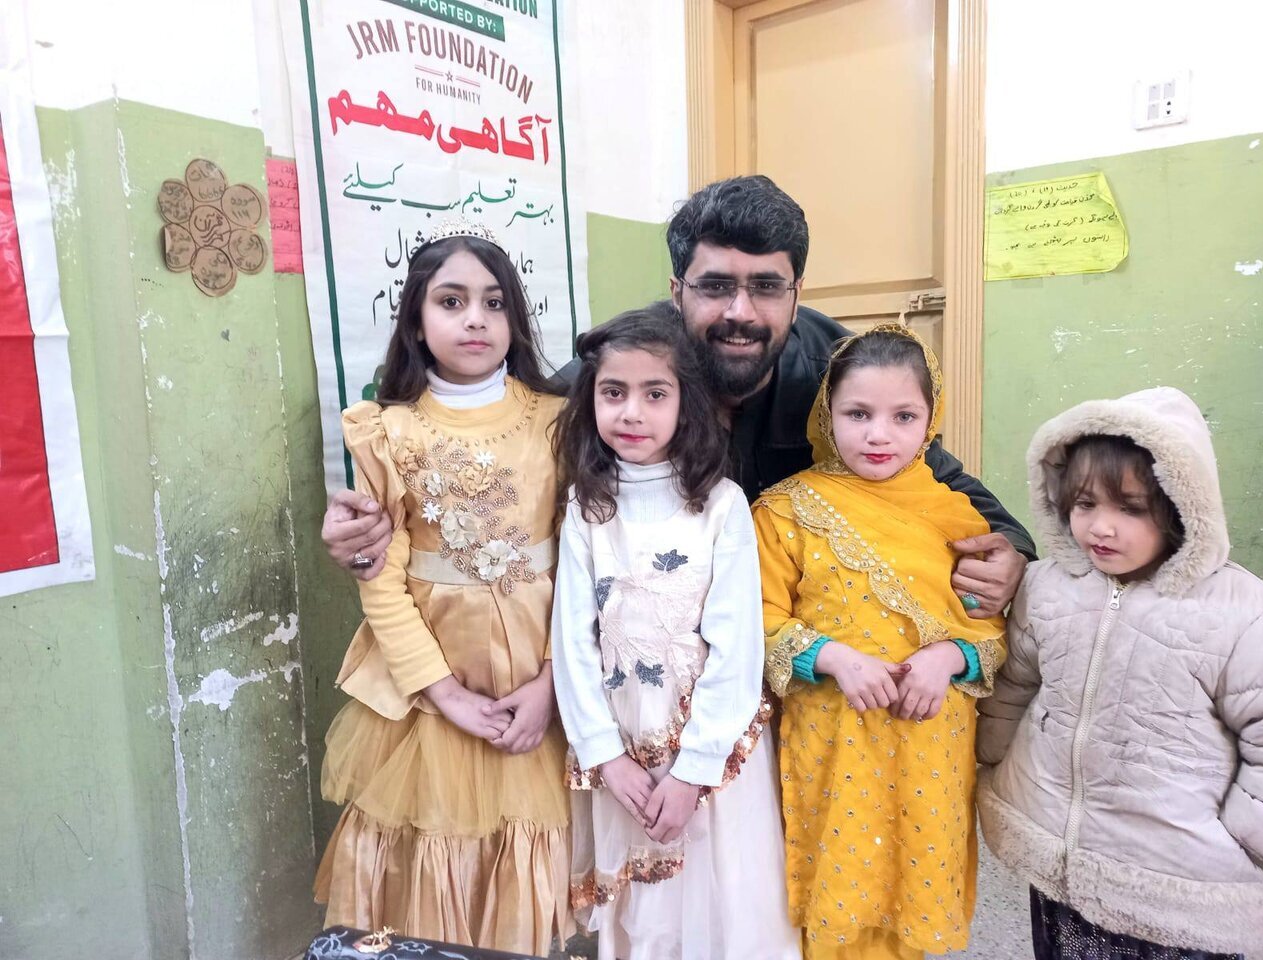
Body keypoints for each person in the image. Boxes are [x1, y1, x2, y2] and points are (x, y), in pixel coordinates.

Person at [320, 176, 1032, 621]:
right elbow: (503, 468)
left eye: (767, 287)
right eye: (716, 286)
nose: (741, 313)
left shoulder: (844, 377)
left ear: (796, 293)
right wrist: (373, 533)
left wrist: (1011, 556)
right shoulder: (616, 373)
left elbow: (951, 490)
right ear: (677, 290)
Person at [312, 220, 572, 954]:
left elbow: (584, 565)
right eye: (451, 302)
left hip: (538, 681)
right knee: (428, 874)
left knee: (526, 864)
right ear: (417, 322)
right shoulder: (386, 431)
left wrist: (552, 683)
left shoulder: (557, 421)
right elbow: (380, 579)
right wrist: (446, 693)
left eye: (494, 302)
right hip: (429, 692)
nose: (475, 319)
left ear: (515, 319)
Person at [976, 386, 1263, 959]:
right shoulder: (1047, 587)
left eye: (1130, 508)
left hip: (1180, 885)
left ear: (1180, 506)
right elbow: (1015, 683)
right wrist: (992, 756)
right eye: (1085, 504)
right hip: (1058, 862)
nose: (1100, 527)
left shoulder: (1247, 615)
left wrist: (1252, 838)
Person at [550, 308, 800, 960]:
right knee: (649, 922)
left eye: (654, 394)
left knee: (724, 905)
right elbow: (571, 640)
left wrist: (695, 771)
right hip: (623, 751)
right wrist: (605, 755)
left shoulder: (721, 505)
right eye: (613, 392)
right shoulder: (586, 506)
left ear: (687, 402)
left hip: (710, 753)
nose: (631, 413)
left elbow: (737, 645)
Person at [753, 325, 1007, 960]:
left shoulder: (957, 516)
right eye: (858, 414)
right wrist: (833, 658)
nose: (878, 434)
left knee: (913, 875)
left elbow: (990, 626)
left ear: (931, 421)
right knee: (838, 881)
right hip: (833, 735)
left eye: (904, 416)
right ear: (827, 412)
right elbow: (755, 617)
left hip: (929, 738)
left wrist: (948, 657)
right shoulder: (784, 512)